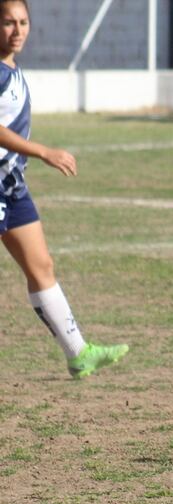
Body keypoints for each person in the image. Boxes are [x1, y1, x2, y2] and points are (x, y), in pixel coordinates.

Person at [0, 0, 128, 379]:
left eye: (23, 22)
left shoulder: (11, 70)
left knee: (42, 266)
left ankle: (78, 353)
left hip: (11, 186)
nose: (17, 30)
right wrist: (42, 151)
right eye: (8, 22)